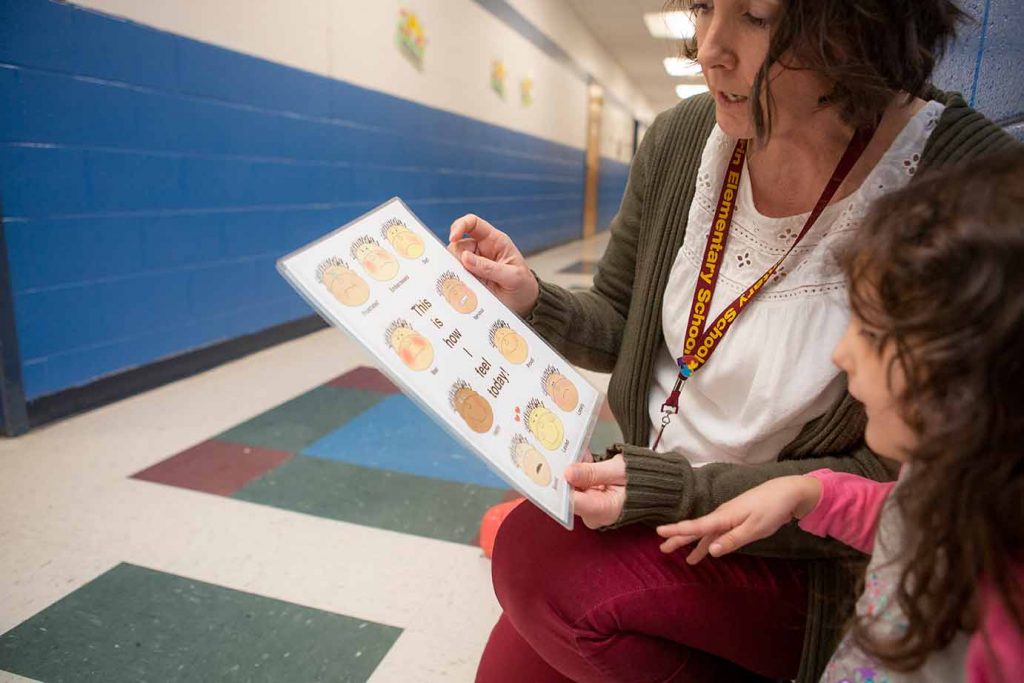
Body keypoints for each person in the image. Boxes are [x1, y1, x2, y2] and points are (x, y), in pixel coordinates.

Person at [448, 1, 1020, 681]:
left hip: (796, 551)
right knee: (510, 657)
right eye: (702, 7)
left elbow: (919, 473)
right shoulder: (682, 137)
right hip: (650, 496)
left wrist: (677, 491)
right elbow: (621, 319)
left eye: (756, 15)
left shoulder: (968, 182)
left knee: (540, 563)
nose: (708, 48)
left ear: (860, 24)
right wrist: (534, 298)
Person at [657, 150, 1024, 682]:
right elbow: (906, 524)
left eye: (873, 334)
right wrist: (812, 494)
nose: (841, 353)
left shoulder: (1005, 633)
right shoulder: (947, 486)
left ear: (975, 379)